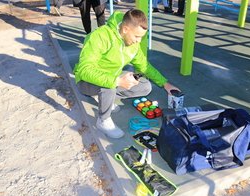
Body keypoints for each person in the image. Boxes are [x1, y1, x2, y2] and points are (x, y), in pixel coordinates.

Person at [74, 9, 180, 139]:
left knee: (145, 86)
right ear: (125, 29)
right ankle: (103, 120)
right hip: (86, 82)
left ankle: (105, 97)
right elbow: (84, 70)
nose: (138, 41)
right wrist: (117, 81)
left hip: (112, 77)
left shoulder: (133, 44)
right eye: (137, 36)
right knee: (109, 85)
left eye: (141, 37)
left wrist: (165, 84)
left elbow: (144, 66)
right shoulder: (99, 36)